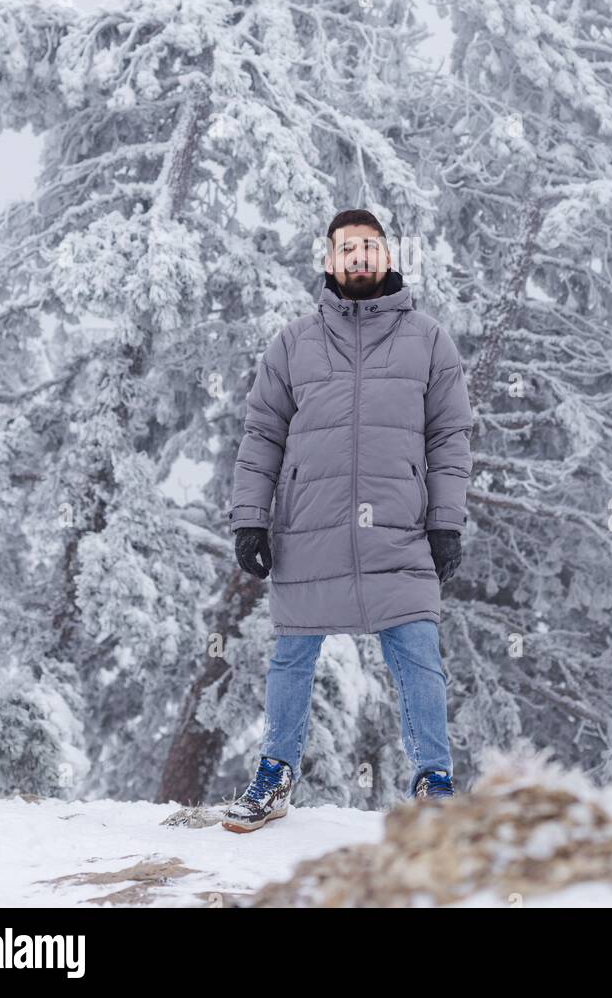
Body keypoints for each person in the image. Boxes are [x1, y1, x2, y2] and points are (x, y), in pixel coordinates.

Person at [222, 208, 473, 831]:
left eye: (369, 248)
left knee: (418, 655)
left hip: (401, 529)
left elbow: (449, 436)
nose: (357, 259)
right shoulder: (293, 343)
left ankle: (433, 785)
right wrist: (250, 518)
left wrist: (447, 521)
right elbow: (261, 434)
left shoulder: (429, 340)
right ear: (328, 261)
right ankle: (274, 777)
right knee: (290, 657)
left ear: (388, 257)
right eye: (345, 250)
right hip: (311, 527)